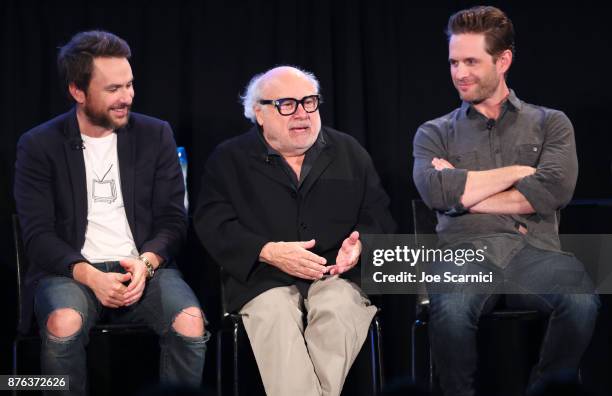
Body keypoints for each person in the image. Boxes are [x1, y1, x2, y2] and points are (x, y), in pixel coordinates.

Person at [412, 6, 599, 396]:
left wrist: (462, 195)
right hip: (464, 255)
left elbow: (553, 191)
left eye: (471, 62)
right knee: (449, 313)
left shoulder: (551, 123)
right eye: (453, 62)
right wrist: (517, 173)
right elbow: (435, 191)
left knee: (582, 302)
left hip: (534, 253)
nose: (459, 73)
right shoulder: (434, 133)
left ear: (503, 61)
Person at [14, 31, 207, 395]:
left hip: (143, 268)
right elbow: (37, 234)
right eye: (113, 89)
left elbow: (173, 219)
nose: (127, 97)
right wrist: (88, 274)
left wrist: (147, 262)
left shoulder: (156, 134)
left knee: (191, 323)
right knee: (63, 322)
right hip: (69, 271)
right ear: (78, 91)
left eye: (130, 85)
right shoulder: (39, 144)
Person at [195, 66, 395, 396]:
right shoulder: (228, 159)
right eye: (287, 104)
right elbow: (213, 224)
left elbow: (380, 217)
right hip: (263, 278)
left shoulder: (349, 152)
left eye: (309, 102)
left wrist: (359, 247)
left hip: (335, 275)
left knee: (339, 307)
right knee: (275, 312)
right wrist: (267, 250)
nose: (302, 114)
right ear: (259, 113)